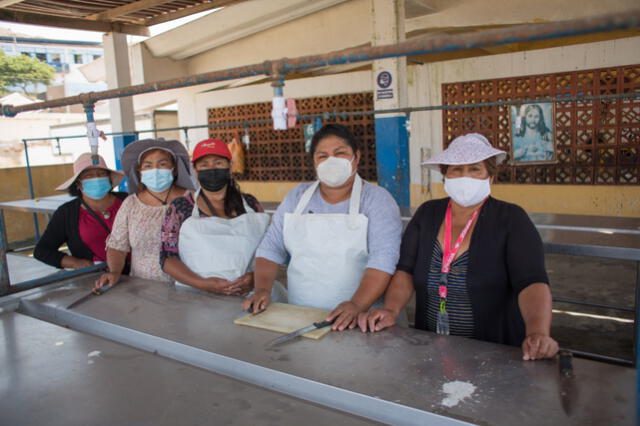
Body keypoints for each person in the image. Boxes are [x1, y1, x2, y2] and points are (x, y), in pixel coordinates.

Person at [358, 133, 559, 361]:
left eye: (475, 169)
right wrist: (391, 309)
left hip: (495, 352)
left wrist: (537, 332)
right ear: (445, 177)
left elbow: (532, 282)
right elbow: (406, 270)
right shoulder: (428, 214)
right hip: (432, 348)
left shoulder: (511, 218)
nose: (465, 177)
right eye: (456, 170)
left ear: (490, 177)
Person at [242, 124, 403, 331]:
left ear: (357, 157)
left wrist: (357, 304)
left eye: (340, 153)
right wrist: (262, 289)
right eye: (322, 156)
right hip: (301, 315)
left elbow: (383, 261)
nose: (331, 161)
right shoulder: (297, 197)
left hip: (360, 320)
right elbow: (270, 249)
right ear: (314, 162)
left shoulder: (377, 199)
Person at [160, 138, 272, 296]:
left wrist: (255, 278)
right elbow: (167, 258)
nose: (211, 169)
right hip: (197, 297)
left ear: (229, 166)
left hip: (250, 295)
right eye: (204, 165)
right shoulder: (181, 207)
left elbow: (271, 250)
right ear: (195, 169)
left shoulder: (251, 204)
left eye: (218, 163)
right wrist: (203, 284)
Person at [95, 139, 194, 288]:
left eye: (162, 164)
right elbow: (117, 246)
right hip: (143, 288)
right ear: (140, 172)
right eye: (148, 166)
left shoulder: (192, 200)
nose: (155, 170)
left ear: (173, 169)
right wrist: (114, 271)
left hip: (188, 285)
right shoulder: (131, 204)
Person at [34, 153, 127, 269]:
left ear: (109, 179)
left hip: (139, 275)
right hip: (97, 278)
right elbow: (42, 251)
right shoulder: (67, 213)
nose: (96, 178)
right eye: (89, 176)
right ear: (78, 183)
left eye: (102, 174)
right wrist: (76, 263)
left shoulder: (129, 201)